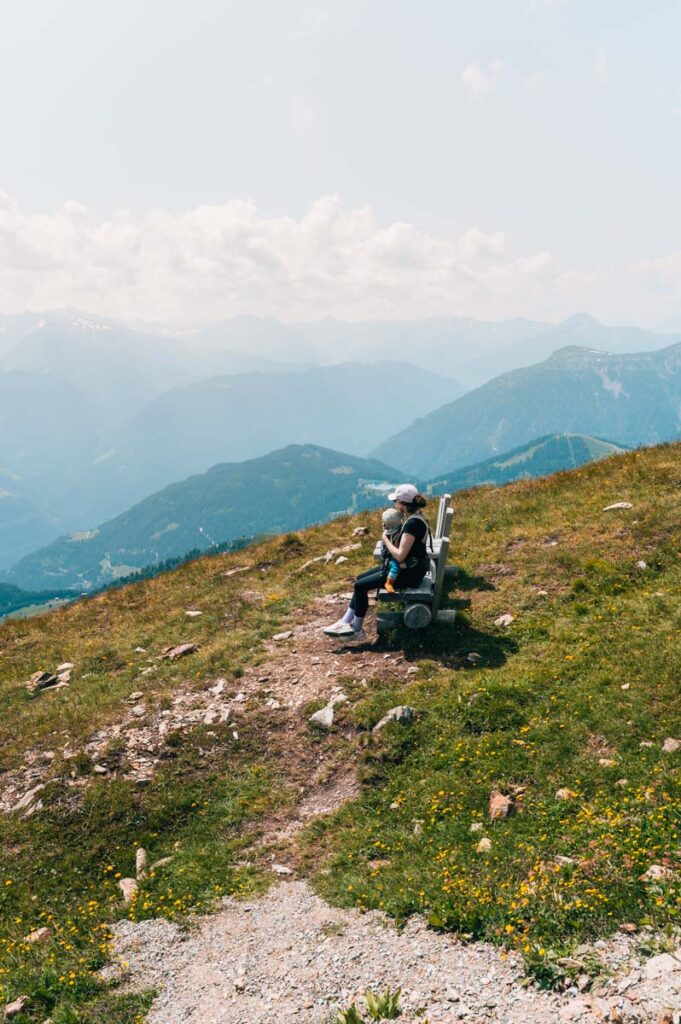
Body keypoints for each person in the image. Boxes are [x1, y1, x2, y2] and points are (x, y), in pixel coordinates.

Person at [323, 484, 432, 640]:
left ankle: (357, 629)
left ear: (402, 503)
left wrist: (385, 538)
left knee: (360, 586)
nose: (394, 504)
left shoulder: (412, 524)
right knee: (360, 579)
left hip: (408, 574)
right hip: (406, 569)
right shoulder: (415, 519)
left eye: (396, 501)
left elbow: (400, 555)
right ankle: (345, 621)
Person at [381, 507, 404, 593]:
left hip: (392, 556)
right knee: (395, 566)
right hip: (391, 557)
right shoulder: (393, 534)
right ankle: (389, 582)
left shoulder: (389, 532)